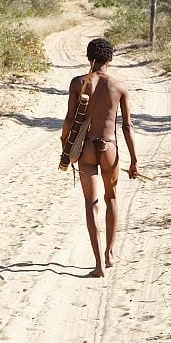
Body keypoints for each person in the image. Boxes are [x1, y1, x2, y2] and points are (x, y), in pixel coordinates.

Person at [61, 38, 139, 278]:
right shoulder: (119, 86)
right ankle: (110, 253)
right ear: (111, 58)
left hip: (85, 149)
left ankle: (98, 265)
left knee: (90, 204)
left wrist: (65, 144)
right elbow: (127, 126)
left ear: (88, 58)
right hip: (110, 149)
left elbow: (70, 120)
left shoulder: (78, 83)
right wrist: (134, 160)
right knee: (111, 198)